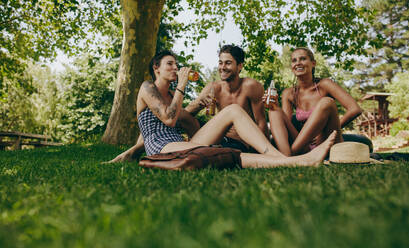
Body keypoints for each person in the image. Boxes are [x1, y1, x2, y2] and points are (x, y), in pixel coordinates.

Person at [132, 50, 336, 168]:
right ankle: (296, 162)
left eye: (176, 64)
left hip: (179, 143)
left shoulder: (171, 95)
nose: (176, 68)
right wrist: (182, 86)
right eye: (170, 64)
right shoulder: (147, 87)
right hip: (163, 148)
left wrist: (197, 104)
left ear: (239, 66)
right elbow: (166, 120)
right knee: (226, 154)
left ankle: (281, 158)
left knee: (232, 110)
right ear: (156, 68)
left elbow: (182, 118)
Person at [266, 47, 362, 156]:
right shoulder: (289, 93)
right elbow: (285, 125)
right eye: (294, 60)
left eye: (302, 59)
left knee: (326, 102)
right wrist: (275, 106)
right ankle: (286, 156)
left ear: (313, 63)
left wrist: (324, 131)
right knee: (274, 110)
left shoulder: (325, 84)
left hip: (326, 140)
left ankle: (290, 156)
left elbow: (355, 109)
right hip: (304, 145)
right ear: (291, 67)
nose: (298, 63)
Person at [185, 45, 268, 152]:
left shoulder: (251, 86)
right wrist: (198, 105)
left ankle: (208, 150)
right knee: (183, 115)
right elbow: (185, 115)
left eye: (228, 63)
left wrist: (264, 151)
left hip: (239, 142)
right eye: (220, 63)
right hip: (217, 138)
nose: (222, 67)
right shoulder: (213, 88)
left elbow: (261, 122)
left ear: (239, 66)